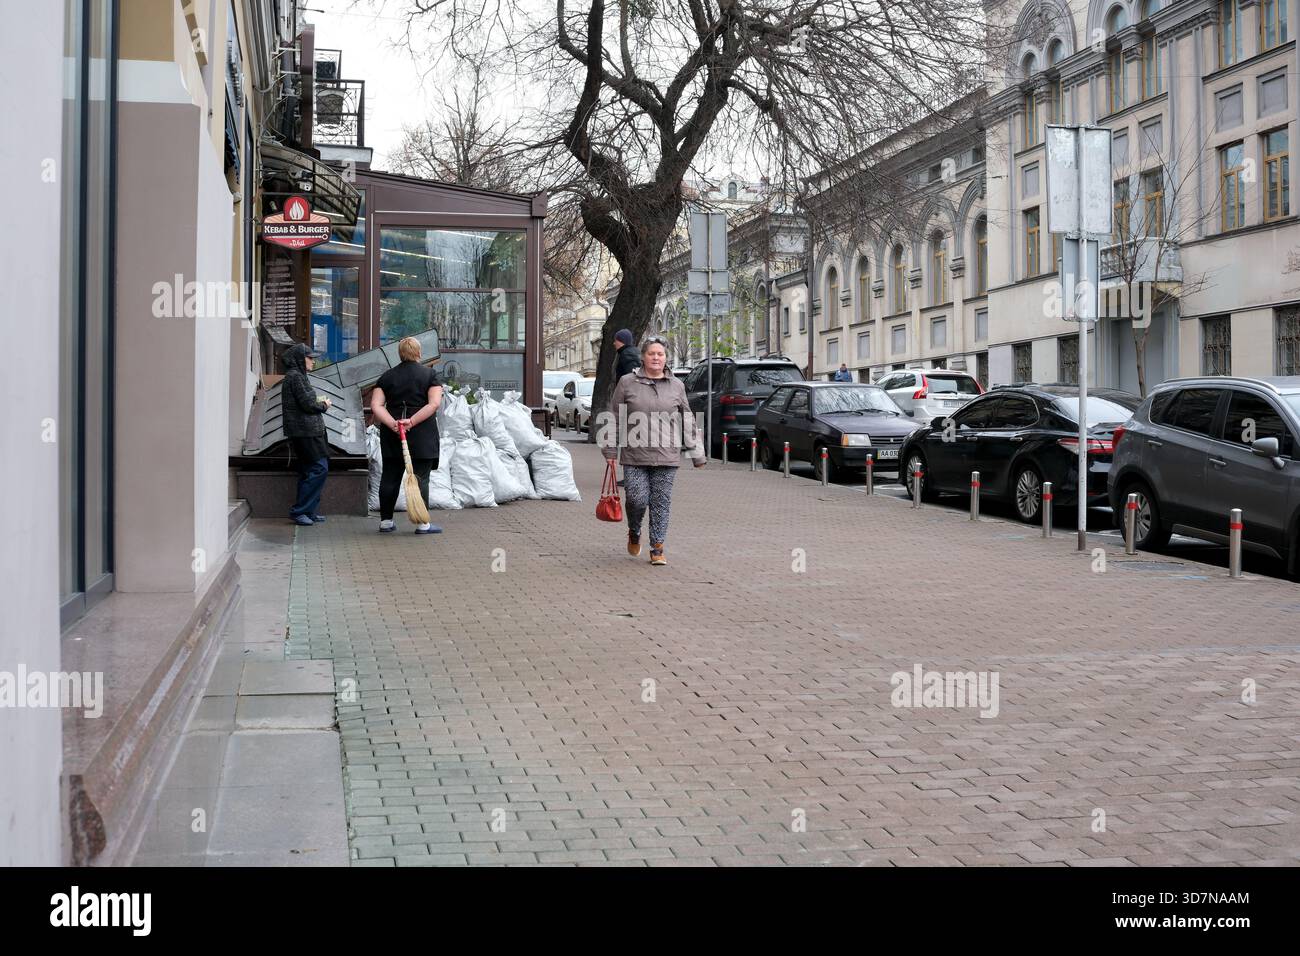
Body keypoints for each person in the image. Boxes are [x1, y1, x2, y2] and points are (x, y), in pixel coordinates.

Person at [602, 336, 705, 566]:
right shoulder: (627, 383)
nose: (656, 358)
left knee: (661, 502)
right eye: (652, 354)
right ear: (643, 357)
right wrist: (610, 452)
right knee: (637, 500)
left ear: (666, 358)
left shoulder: (677, 385)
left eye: (660, 354)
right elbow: (613, 418)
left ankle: (657, 547)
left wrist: (697, 454)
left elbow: (687, 420)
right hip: (635, 455)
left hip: (667, 455)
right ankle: (634, 529)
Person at [370, 336, 444, 534]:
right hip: (422, 435)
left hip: (393, 435)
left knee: (390, 477)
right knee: (421, 478)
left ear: (400, 354)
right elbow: (434, 403)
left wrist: (393, 423)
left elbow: (376, 405)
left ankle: (386, 522)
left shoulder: (386, 377)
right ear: (419, 353)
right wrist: (411, 421)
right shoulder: (430, 375)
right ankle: (422, 524)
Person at [281, 343, 332, 526]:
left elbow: (305, 401)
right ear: (300, 359)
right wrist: (324, 405)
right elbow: (308, 404)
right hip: (306, 432)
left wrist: (317, 402)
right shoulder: (296, 377)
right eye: (310, 358)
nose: (313, 361)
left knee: (308, 471)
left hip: (306, 431)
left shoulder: (297, 376)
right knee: (319, 468)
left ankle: (308, 511)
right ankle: (300, 511)